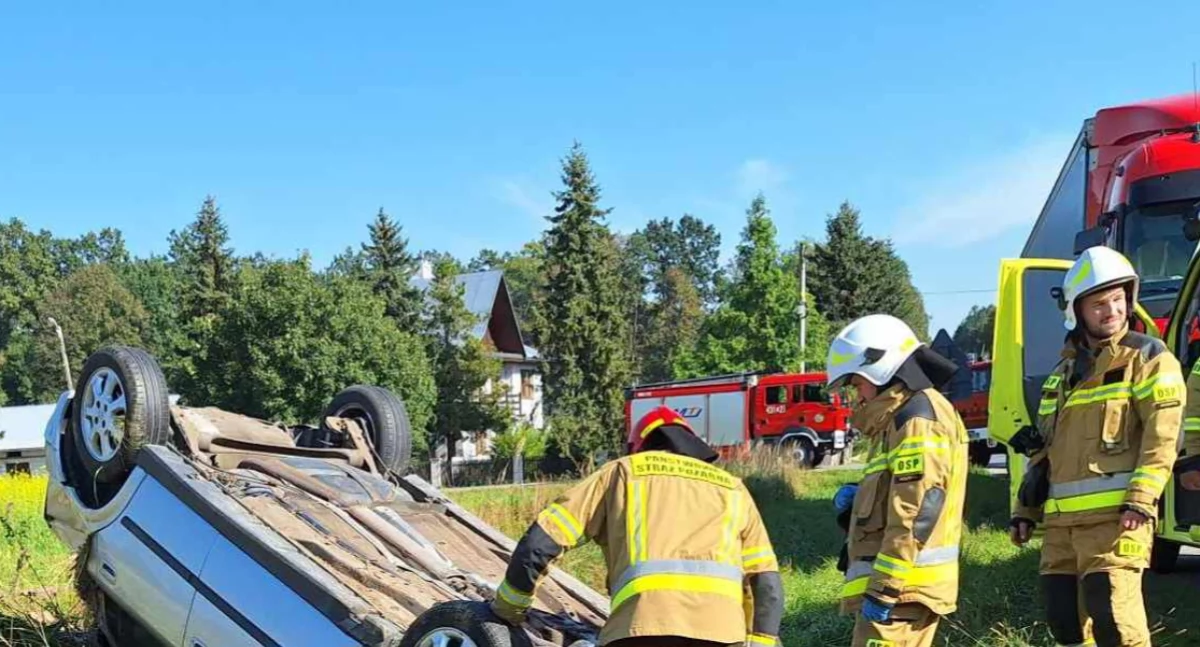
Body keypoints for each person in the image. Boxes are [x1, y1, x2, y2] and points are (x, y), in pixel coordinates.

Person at [488, 405, 785, 647]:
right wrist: (760, 642)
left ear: (638, 446)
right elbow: (766, 582)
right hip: (723, 634)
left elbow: (543, 541)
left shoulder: (622, 472)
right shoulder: (733, 489)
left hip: (640, 630)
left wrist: (509, 608)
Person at [1009, 246, 1185, 647]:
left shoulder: (1148, 358)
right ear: (1077, 311)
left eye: (1118, 300)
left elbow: (1163, 435)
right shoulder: (1062, 373)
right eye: (1099, 304)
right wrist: (1025, 510)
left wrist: (1141, 500)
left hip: (1117, 521)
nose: (1112, 311)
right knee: (1064, 622)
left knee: (1114, 623)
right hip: (1061, 527)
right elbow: (1044, 451)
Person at [827, 313, 969, 647]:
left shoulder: (916, 418)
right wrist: (862, 495)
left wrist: (886, 586)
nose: (857, 396)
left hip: (902, 591)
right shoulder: (898, 419)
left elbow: (917, 510)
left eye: (857, 384)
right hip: (900, 591)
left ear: (880, 368)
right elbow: (904, 492)